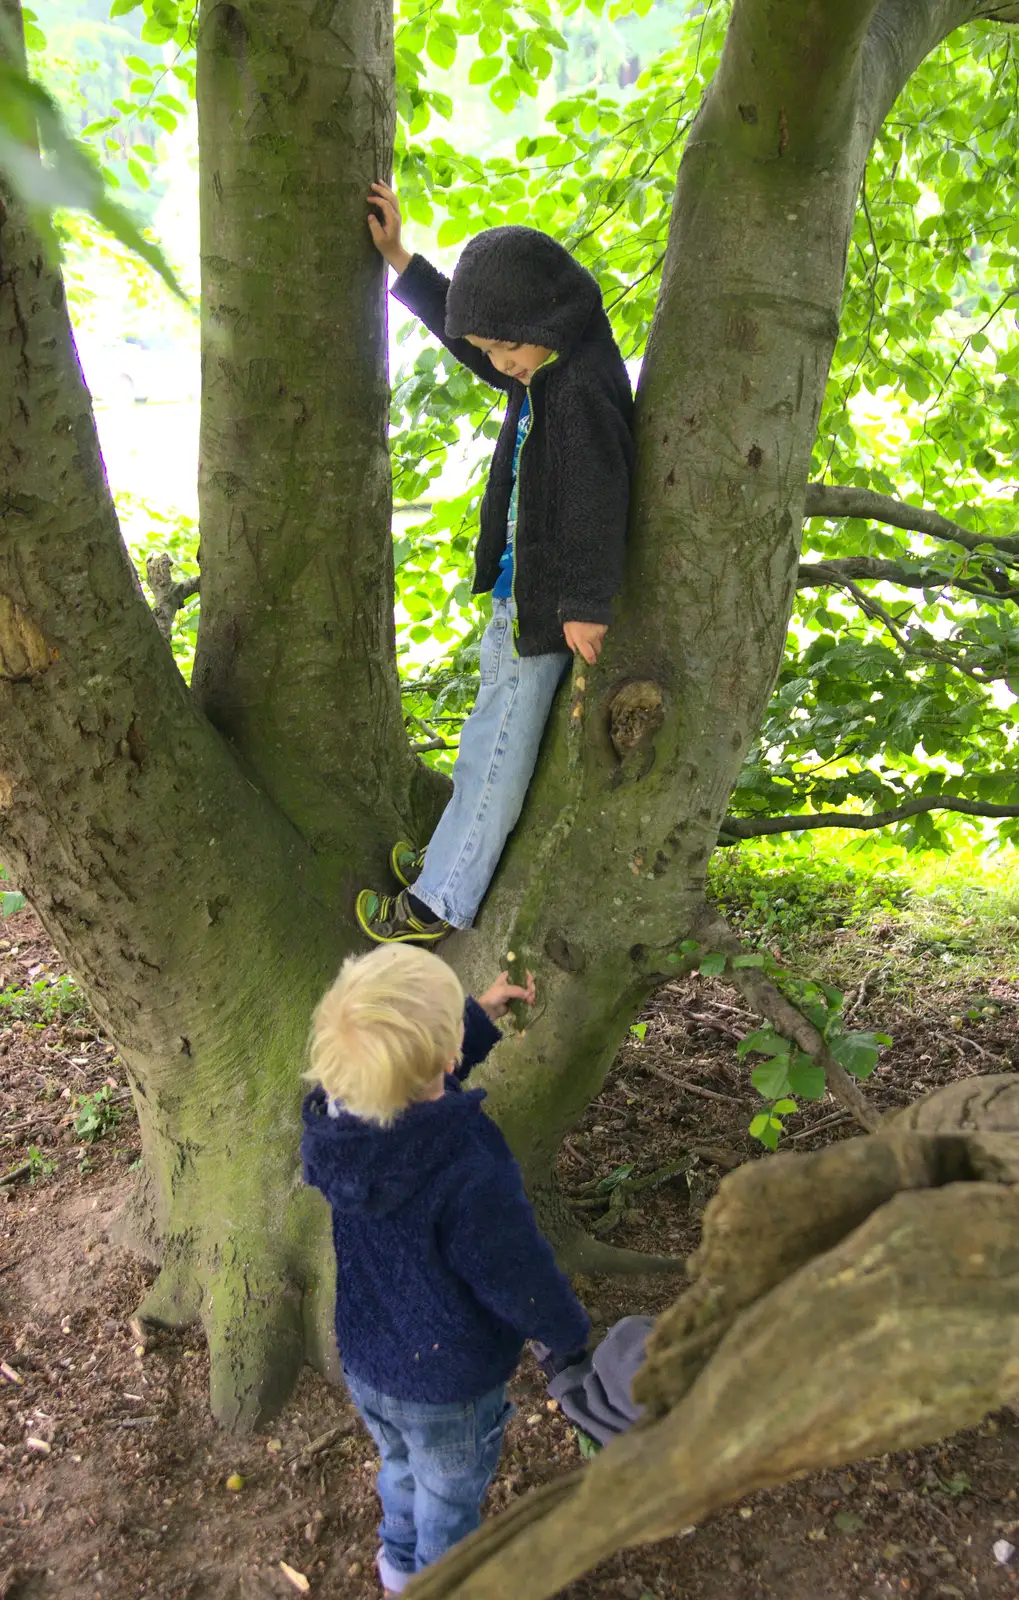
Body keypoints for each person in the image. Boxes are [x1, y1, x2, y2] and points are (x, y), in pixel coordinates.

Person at [355, 182, 635, 945]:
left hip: (548, 606)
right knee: (484, 738)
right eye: (491, 352)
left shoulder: (576, 389)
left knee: (499, 748)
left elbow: (595, 496)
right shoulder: (546, 364)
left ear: (539, 325)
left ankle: (439, 901)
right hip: (525, 591)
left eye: (505, 348)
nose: (498, 365)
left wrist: (584, 600)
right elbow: (471, 339)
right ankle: (448, 859)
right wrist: (404, 266)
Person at [300, 944, 591, 1596]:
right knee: (447, 1497)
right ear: (448, 1058)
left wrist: (477, 1016)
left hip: (368, 1359)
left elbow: (413, 1091)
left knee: (398, 1466)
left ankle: (397, 1565)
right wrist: (566, 1335)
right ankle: (439, 1582)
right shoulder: (465, 1166)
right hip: (449, 1382)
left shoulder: (337, 1130)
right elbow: (514, 1271)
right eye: (458, 1027)